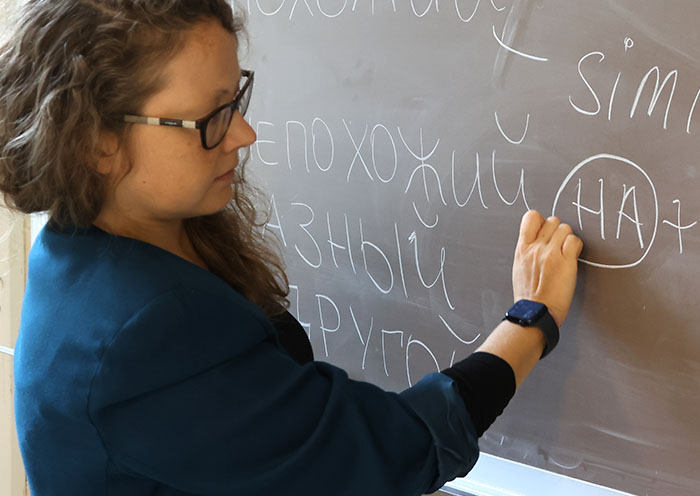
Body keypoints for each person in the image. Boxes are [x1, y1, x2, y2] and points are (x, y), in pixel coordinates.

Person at [0, 1, 583, 495]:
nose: (243, 134)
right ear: (97, 143)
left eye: (237, 99)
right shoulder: (146, 331)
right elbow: (394, 451)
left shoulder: (84, 241)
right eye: (212, 116)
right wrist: (532, 319)